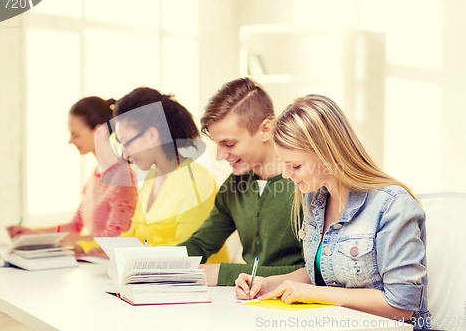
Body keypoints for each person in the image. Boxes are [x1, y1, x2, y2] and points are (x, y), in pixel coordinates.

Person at [235, 94, 430, 328]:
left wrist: (316, 294)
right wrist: (267, 284)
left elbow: (402, 306)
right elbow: (325, 272)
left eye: (295, 165)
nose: (286, 175)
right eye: (283, 164)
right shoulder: (314, 200)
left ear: (328, 155)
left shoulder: (392, 206)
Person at [77, 87, 228, 263]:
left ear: (152, 135)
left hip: (196, 285)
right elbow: (136, 237)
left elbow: (187, 253)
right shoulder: (151, 178)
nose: (125, 154)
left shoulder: (196, 182)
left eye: (126, 143)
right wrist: (91, 248)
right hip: (155, 281)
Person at [178, 77, 305, 286]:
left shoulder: (306, 184)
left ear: (265, 129)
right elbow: (201, 244)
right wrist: (156, 265)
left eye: (229, 143)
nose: (220, 155)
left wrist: (223, 273)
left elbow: (313, 272)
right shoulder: (235, 185)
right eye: (218, 144)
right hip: (248, 302)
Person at [7, 96, 137, 243]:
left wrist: (49, 239)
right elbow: (74, 227)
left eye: (76, 135)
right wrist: (33, 233)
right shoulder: (95, 175)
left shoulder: (122, 177)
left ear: (99, 131)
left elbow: (115, 236)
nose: (70, 141)